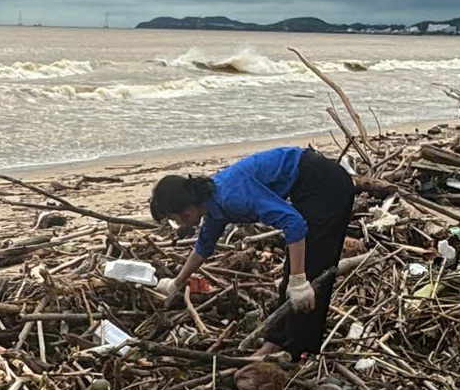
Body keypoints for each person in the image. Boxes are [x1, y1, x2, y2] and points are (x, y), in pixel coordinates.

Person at [149, 147, 357, 359]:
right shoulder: (213, 207)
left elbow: (294, 224)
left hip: (325, 184)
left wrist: (298, 280)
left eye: (174, 218)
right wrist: (176, 283)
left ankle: (298, 352)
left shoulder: (231, 196)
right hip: (307, 186)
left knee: (313, 268)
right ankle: (277, 344)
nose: (177, 223)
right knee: (296, 274)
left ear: (185, 209)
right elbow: (203, 249)